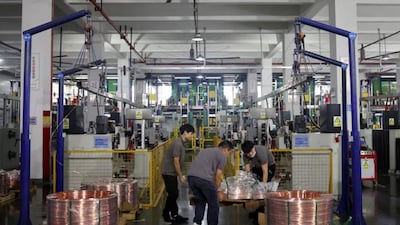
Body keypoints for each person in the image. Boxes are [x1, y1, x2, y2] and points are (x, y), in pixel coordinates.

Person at [188, 140, 234, 225]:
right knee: (214, 204)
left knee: (200, 201)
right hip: (204, 180)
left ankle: (196, 222)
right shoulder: (222, 156)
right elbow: (218, 176)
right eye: (229, 153)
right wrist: (216, 189)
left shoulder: (206, 150)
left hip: (191, 177)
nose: (228, 155)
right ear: (226, 149)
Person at [161, 124, 195, 223]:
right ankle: (166, 213)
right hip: (168, 172)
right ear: (185, 133)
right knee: (173, 194)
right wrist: (180, 176)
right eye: (191, 134)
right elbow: (176, 161)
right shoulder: (178, 144)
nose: (192, 136)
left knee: (174, 193)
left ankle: (175, 215)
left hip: (172, 172)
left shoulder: (181, 143)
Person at [241, 140, 276, 223]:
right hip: (257, 167)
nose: (249, 154)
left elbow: (265, 171)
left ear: (253, 148)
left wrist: (263, 185)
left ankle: (261, 213)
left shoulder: (261, 152)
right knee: (255, 186)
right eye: (247, 153)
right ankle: (257, 211)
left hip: (269, 167)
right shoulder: (245, 155)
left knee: (262, 192)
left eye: (250, 152)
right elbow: (247, 171)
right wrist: (247, 183)